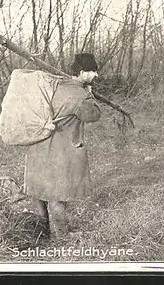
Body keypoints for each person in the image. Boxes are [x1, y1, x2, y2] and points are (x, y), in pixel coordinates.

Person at [24, 53, 101, 239]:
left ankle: (40, 233)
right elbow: (93, 115)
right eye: (93, 71)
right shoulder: (80, 95)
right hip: (58, 150)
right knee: (58, 194)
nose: (96, 76)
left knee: (39, 192)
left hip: (36, 147)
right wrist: (89, 95)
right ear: (82, 72)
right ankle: (61, 236)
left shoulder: (55, 85)